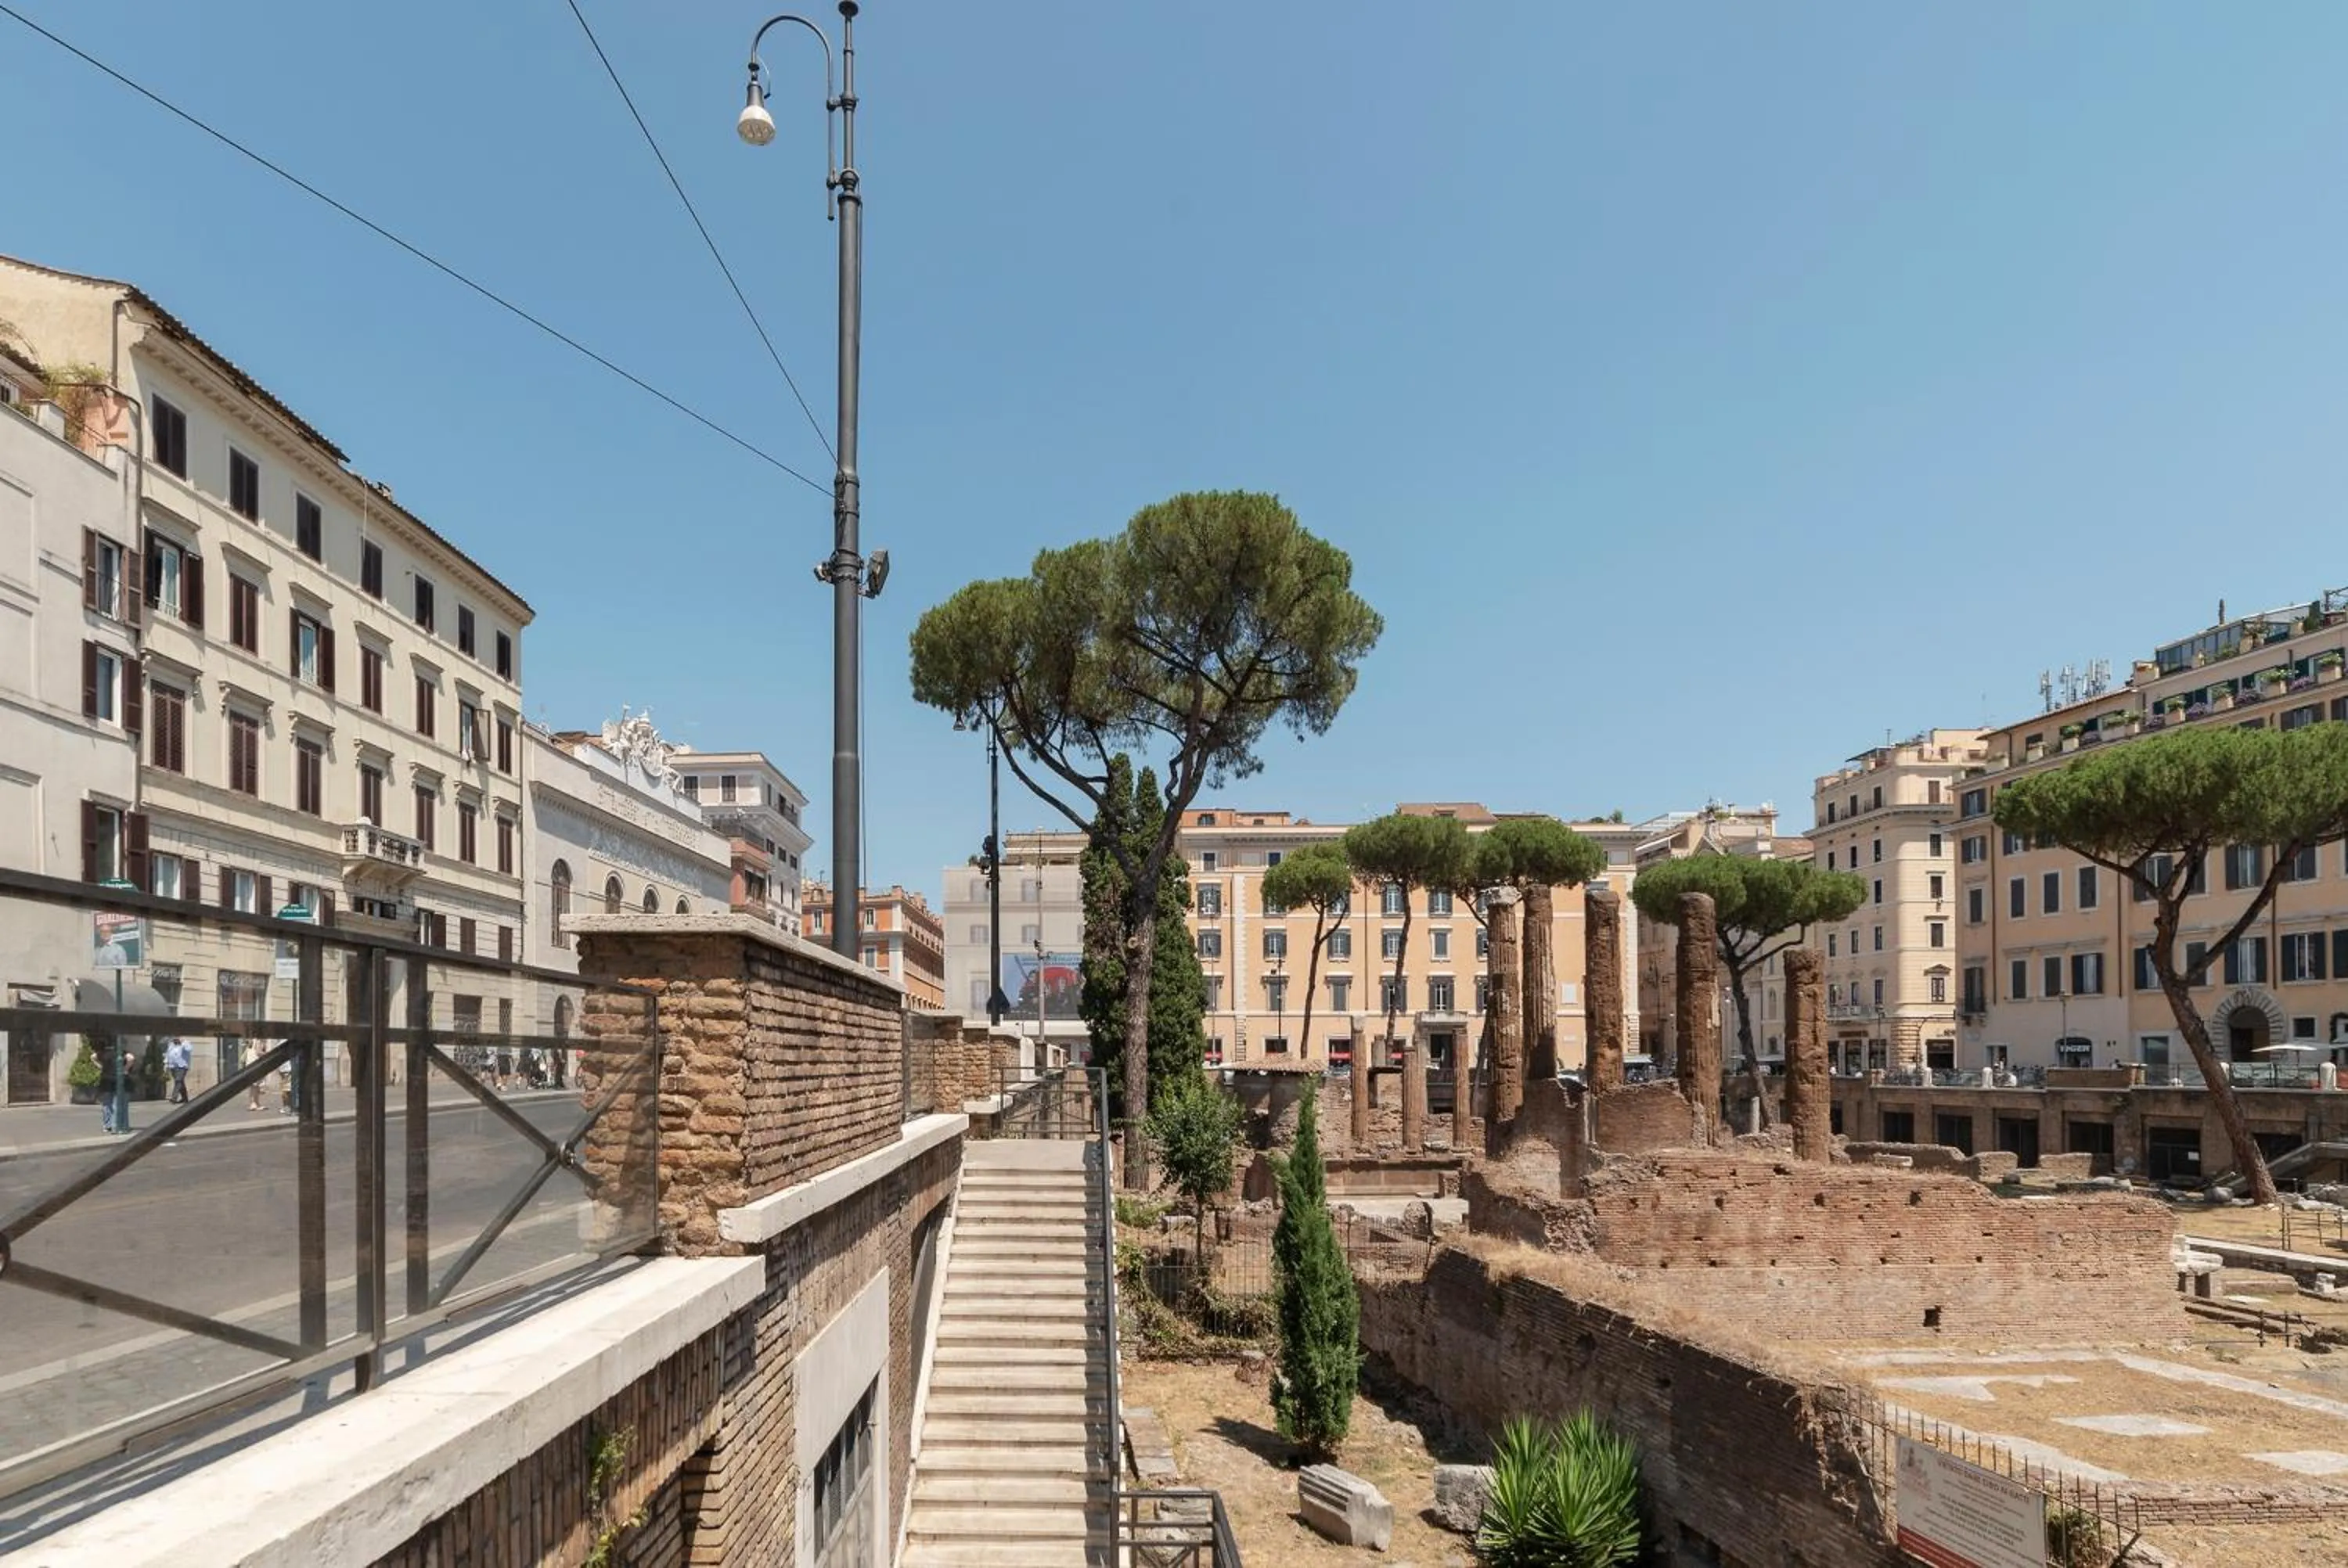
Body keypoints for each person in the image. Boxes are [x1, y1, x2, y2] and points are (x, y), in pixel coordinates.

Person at [164, 1036, 192, 1104]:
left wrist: (184, 1042)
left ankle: (174, 1098)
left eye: (177, 1038)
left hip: (182, 1066)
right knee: (180, 1082)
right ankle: (185, 1098)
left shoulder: (186, 1044)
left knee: (178, 1081)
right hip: (173, 1067)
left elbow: (189, 1049)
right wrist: (166, 1065)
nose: (175, 1039)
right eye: (174, 1038)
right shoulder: (171, 1045)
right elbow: (168, 1055)